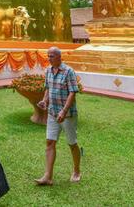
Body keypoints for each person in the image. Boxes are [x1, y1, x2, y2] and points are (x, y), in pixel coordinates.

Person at [35, 46, 82, 185]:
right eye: (48, 56)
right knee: (50, 142)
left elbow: (73, 92)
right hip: (52, 113)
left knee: (72, 143)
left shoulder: (69, 71)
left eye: (52, 56)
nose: (49, 58)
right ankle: (48, 176)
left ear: (59, 57)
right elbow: (48, 88)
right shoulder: (48, 70)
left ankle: (77, 171)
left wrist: (64, 111)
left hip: (67, 115)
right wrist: (44, 101)